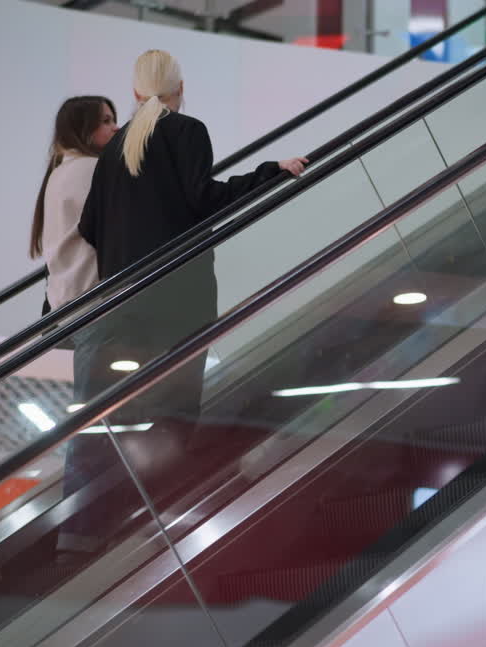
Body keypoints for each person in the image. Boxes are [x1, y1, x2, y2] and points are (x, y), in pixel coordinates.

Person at [56, 49, 306, 553]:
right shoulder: (187, 131)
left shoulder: (114, 149)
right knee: (174, 411)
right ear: (179, 87)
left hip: (124, 305)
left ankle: (88, 534)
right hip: (182, 298)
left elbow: (89, 228)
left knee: (123, 414)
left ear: (133, 93)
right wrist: (271, 172)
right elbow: (203, 200)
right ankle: (159, 526)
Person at [30, 96, 118, 313]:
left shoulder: (59, 172)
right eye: (105, 121)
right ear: (83, 128)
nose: (116, 128)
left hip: (66, 300)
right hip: (94, 299)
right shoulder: (92, 168)